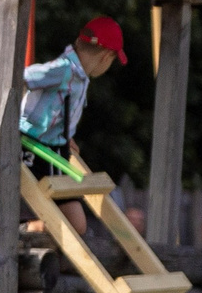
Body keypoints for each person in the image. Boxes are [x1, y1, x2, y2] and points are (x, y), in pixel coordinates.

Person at [19, 16, 124, 176]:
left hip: (52, 147)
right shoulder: (64, 70)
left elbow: (59, 109)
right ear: (106, 57)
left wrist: (64, 135)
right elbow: (23, 76)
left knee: (69, 189)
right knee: (56, 190)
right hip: (33, 146)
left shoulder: (79, 77)